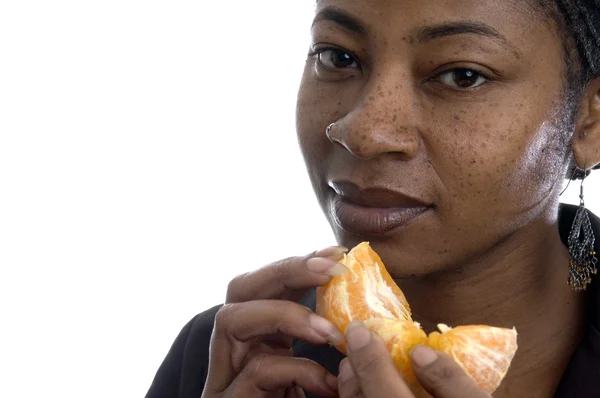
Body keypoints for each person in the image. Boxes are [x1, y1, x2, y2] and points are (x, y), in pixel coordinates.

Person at [146, 0, 600, 397]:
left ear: (590, 124)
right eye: (337, 56)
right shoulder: (227, 358)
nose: (363, 133)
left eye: (463, 76)